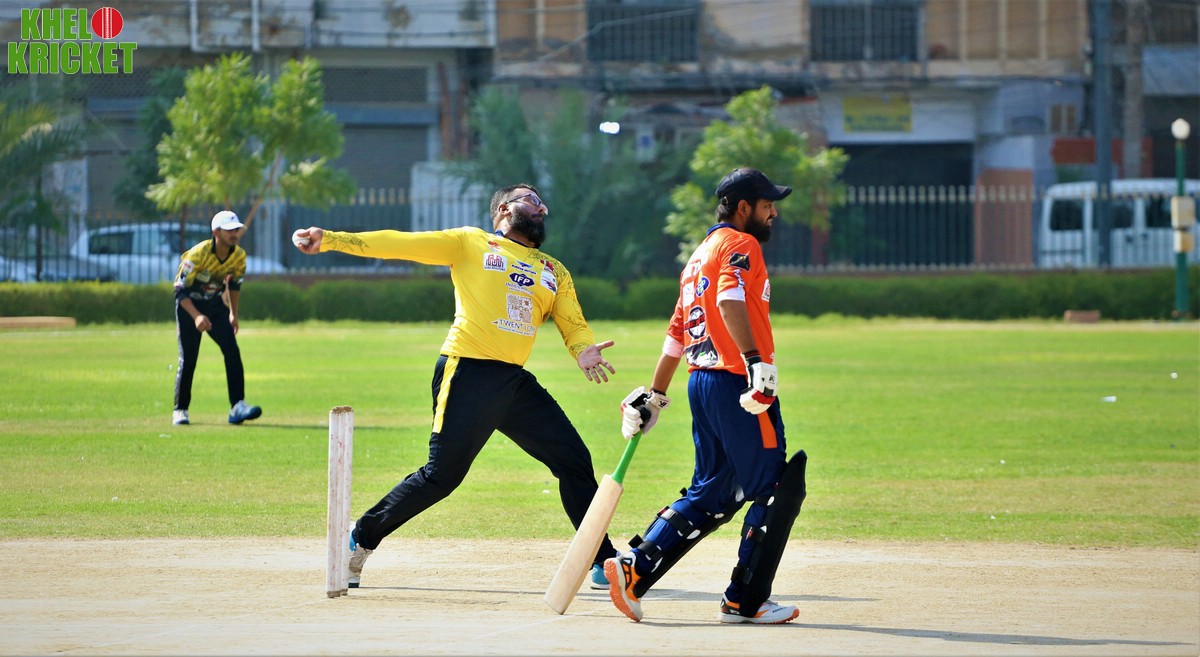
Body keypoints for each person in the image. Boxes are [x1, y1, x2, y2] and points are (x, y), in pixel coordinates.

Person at [292, 183, 620, 590]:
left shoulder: (554, 270)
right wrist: (331, 240)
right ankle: (361, 537)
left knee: (573, 460)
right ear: (504, 208)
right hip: (467, 371)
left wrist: (583, 350)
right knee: (441, 477)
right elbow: (398, 244)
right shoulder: (470, 242)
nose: (543, 208)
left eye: (543, 203)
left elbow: (573, 322)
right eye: (532, 201)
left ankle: (601, 560)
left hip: (513, 383)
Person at [606, 168, 807, 624]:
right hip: (738, 382)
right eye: (767, 205)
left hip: (702, 383)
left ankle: (635, 568)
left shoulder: (697, 257)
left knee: (714, 491)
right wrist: (755, 361)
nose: (773, 213)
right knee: (775, 489)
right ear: (743, 207)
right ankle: (745, 601)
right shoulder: (741, 244)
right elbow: (728, 301)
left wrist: (655, 395)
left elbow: (677, 335)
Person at [172, 210, 263, 426]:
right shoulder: (198, 254)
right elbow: (179, 290)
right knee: (189, 358)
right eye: (229, 230)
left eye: (236, 230)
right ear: (216, 232)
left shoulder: (239, 256)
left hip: (214, 307)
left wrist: (233, 314)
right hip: (189, 307)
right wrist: (196, 317)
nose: (234, 234)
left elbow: (235, 285)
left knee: (232, 351)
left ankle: (237, 406)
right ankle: (180, 410)